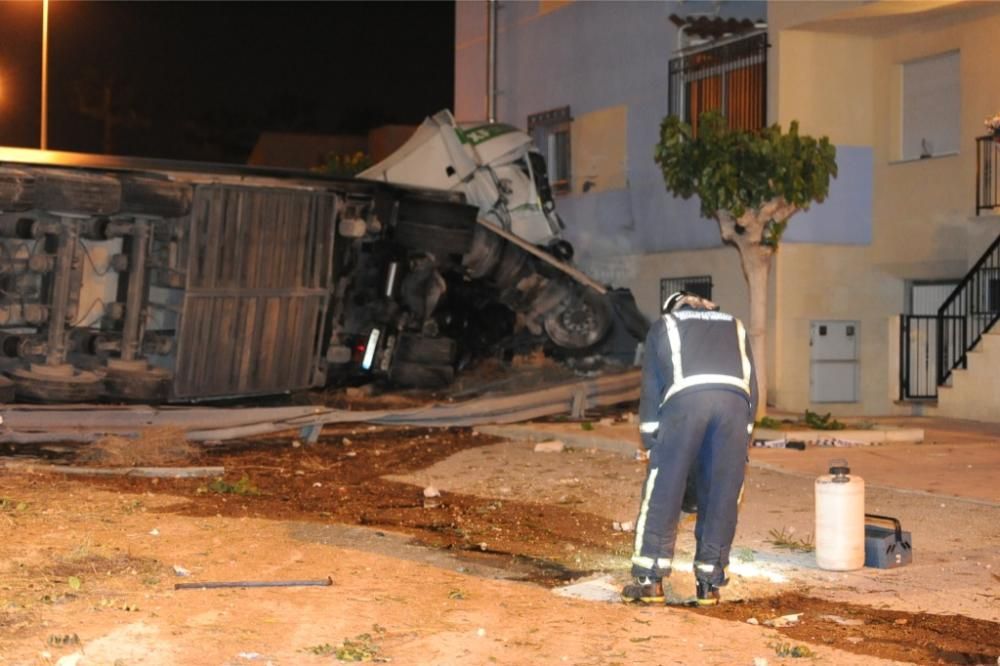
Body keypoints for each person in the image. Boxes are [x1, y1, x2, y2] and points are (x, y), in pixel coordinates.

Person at [622, 291, 757, 606]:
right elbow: (752, 383)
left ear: (674, 308)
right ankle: (709, 584)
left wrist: (652, 441)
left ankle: (649, 578)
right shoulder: (734, 325)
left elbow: (651, 390)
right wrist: (744, 433)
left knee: (664, 489)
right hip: (734, 406)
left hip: (685, 404)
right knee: (723, 492)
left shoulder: (664, 325)